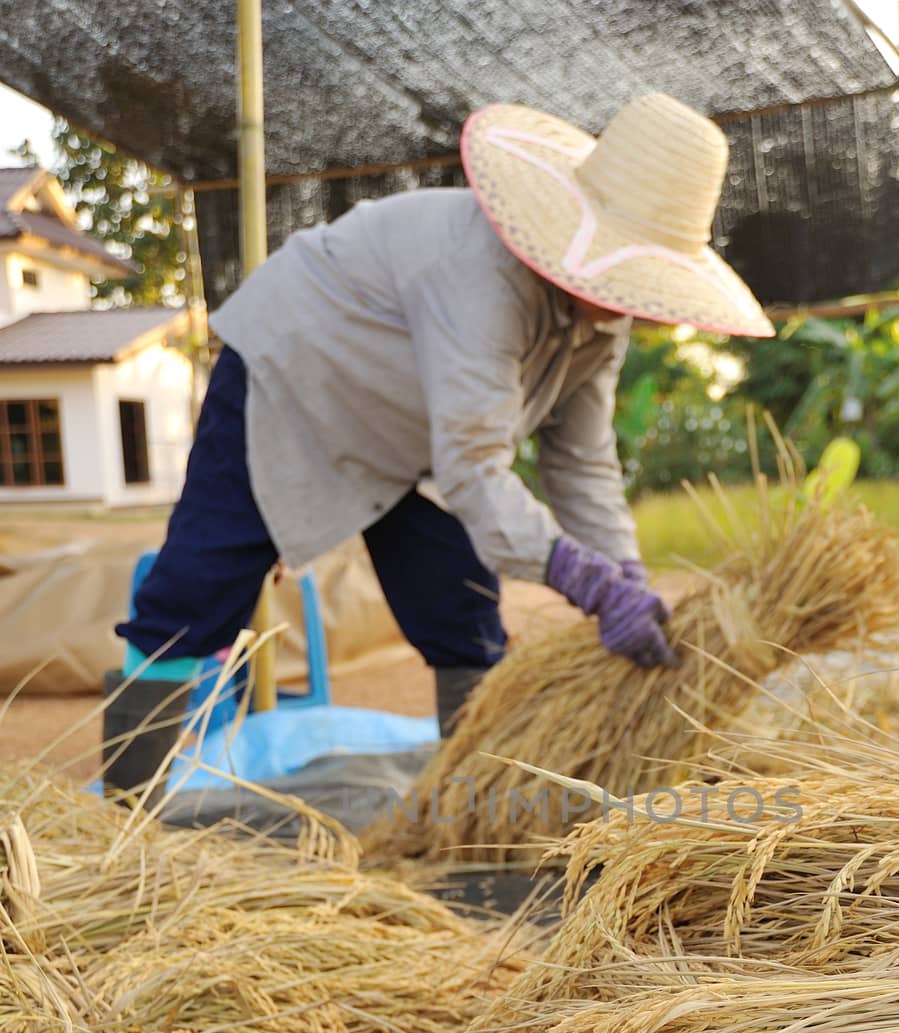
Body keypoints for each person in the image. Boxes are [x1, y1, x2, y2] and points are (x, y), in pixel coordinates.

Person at [106, 91, 772, 794]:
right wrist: (583, 581)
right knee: (195, 593)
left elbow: (581, 459)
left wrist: (623, 576)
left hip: (419, 435)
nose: (626, 297)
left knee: (462, 608)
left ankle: (472, 813)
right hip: (296, 383)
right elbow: (476, 468)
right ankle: (120, 816)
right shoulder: (481, 274)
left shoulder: (603, 320)